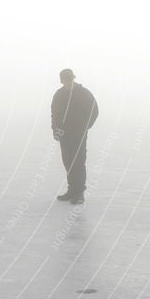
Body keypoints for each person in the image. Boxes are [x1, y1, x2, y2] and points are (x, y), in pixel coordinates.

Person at [51, 69, 99, 204]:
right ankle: (71, 190)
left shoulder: (84, 93)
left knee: (78, 161)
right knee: (68, 161)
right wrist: (55, 129)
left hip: (79, 134)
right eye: (65, 80)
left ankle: (79, 193)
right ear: (62, 81)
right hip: (64, 135)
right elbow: (54, 113)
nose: (68, 83)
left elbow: (94, 111)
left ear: (73, 79)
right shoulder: (59, 95)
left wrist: (85, 127)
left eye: (70, 80)